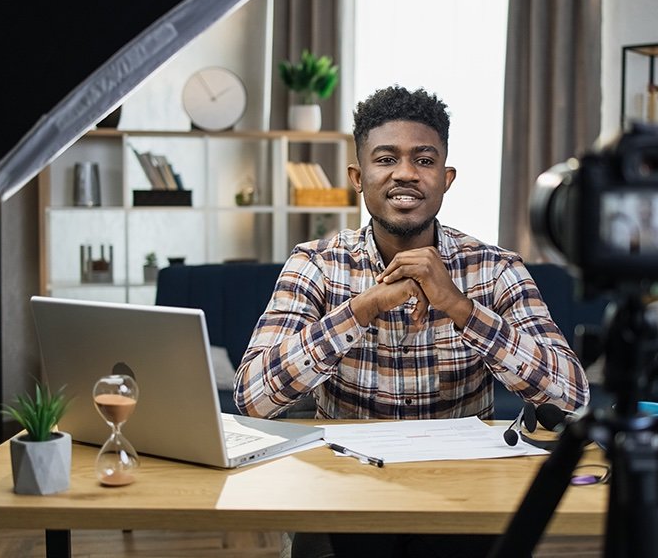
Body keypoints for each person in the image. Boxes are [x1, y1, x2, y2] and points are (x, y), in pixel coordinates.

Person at [234, 85, 588, 557]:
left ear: (446, 177)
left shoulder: (496, 268)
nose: (405, 174)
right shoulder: (314, 264)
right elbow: (252, 400)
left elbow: (571, 396)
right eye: (386, 159)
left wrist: (460, 306)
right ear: (358, 177)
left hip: (463, 495)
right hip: (343, 494)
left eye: (424, 160)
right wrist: (363, 308)